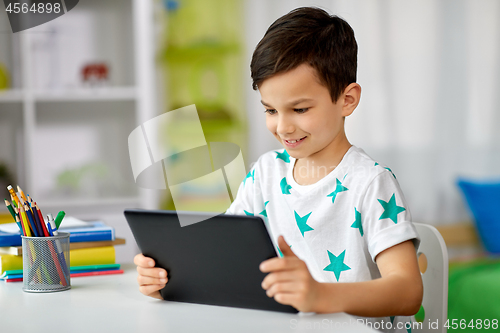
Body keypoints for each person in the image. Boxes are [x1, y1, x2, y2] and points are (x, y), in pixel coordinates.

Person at [135, 6, 423, 331]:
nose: (282, 127)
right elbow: (223, 260)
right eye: (270, 109)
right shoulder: (265, 174)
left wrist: (320, 295)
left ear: (347, 100)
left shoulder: (371, 183)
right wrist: (169, 280)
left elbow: (407, 292)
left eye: (299, 109)